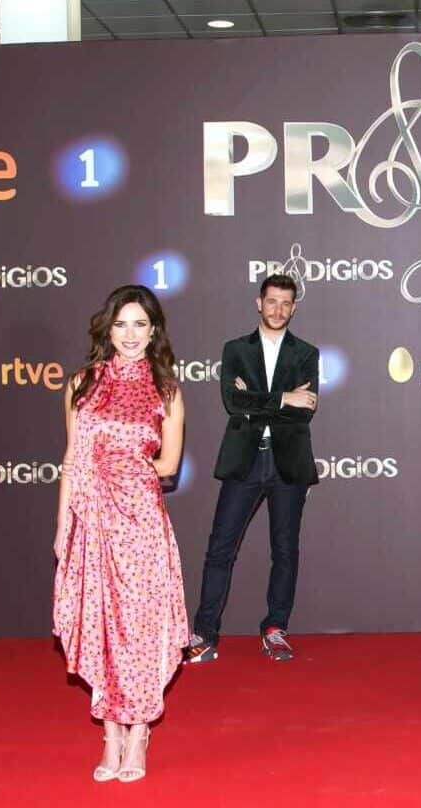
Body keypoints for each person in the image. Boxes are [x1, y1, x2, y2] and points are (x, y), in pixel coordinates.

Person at [52, 285, 189, 783]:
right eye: (121, 325)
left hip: (141, 523)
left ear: (154, 332)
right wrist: (63, 524)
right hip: (91, 522)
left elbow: (170, 464)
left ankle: (138, 734)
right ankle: (110, 733)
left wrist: (125, 467)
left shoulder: (167, 389)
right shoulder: (81, 384)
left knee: (140, 628)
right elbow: (71, 459)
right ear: (107, 328)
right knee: (101, 627)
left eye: (140, 325)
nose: (130, 335)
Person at [184, 275, 319, 664]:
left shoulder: (307, 353)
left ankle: (276, 629)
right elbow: (232, 401)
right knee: (220, 548)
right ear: (258, 303)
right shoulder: (235, 349)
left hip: (287, 464)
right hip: (244, 461)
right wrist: (283, 398)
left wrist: (257, 401)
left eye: (286, 303)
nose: (278, 310)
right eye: (271, 301)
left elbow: (306, 406)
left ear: (294, 308)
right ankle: (205, 633)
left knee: (285, 550)